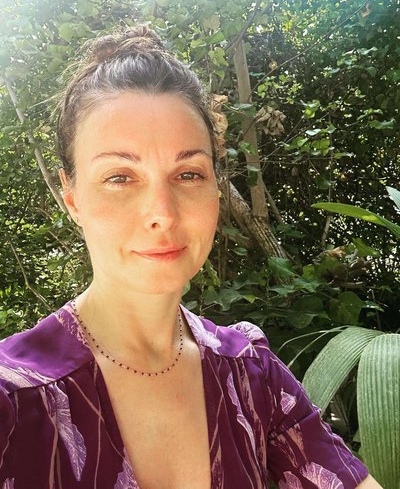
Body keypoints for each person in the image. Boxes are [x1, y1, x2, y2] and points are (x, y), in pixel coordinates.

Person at [0, 25, 381, 488]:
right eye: (119, 177)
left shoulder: (250, 374)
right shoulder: (14, 399)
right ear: (72, 197)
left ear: (217, 185)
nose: (162, 214)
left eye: (188, 174)